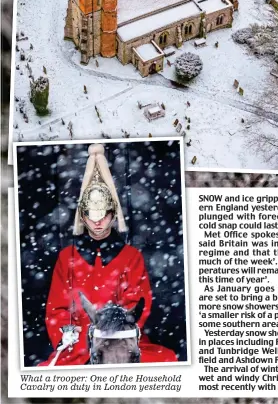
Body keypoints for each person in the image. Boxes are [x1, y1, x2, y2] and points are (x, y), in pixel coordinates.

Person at [38, 143, 178, 366]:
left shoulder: (131, 256)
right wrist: (70, 334)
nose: (97, 222)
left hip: (122, 341)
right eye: (91, 216)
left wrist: (115, 332)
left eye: (103, 215)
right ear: (83, 217)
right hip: (79, 346)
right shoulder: (67, 257)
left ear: (113, 215)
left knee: (167, 360)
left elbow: (139, 304)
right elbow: (56, 308)